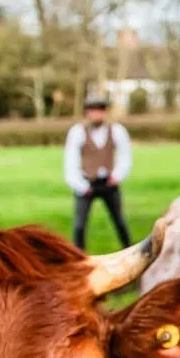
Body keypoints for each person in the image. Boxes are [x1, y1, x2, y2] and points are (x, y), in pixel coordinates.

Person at [64, 96, 133, 250]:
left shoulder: (116, 130)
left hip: (108, 181)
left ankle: (129, 249)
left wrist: (117, 175)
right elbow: (70, 161)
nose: (97, 115)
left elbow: (125, 155)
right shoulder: (77, 132)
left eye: (100, 111)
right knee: (79, 225)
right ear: (87, 113)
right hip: (87, 182)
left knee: (120, 221)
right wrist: (80, 185)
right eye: (93, 111)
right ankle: (79, 256)